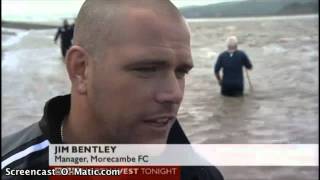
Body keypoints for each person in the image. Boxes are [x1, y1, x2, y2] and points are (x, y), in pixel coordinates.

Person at [2, 1, 224, 179]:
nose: (174, 94)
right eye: (146, 69)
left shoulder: (199, 173)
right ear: (81, 69)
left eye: (181, 72)